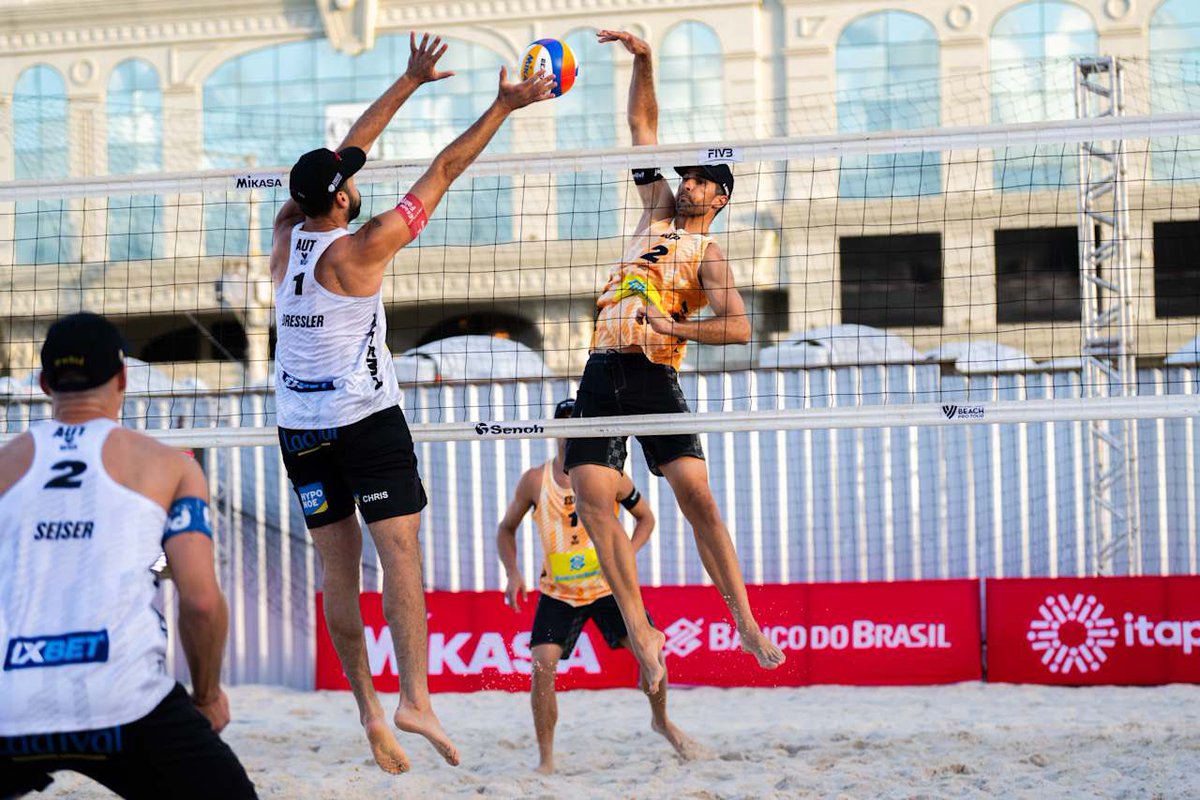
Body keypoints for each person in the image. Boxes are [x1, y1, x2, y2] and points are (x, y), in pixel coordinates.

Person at [269, 33, 555, 774]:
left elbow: (347, 152)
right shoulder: (361, 247)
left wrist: (409, 82)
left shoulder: (285, 233)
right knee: (400, 556)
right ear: (339, 197)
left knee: (339, 570)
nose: (353, 174)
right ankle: (415, 698)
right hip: (362, 417)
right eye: (346, 179)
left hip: (298, 426)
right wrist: (502, 104)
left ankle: (368, 707)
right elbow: (445, 170)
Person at [564, 30, 787, 694]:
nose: (687, 183)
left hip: (654, 371)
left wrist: (670, 320)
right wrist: (643, 59)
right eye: (687, 175)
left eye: (701, 180)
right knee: (593, 501)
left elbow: (741, 326)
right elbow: (641, 126)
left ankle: (744, 622)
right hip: (602, 369)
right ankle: (641, 631)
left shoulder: (708, 255)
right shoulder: (656, 214)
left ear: (719, 198)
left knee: (699, 500)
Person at [0, 313, 255, 799]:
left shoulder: (5, 465)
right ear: (121, 379)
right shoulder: (169, 466)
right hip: (123, 701)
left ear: (43, 383)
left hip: (10, 702)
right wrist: (206, 696)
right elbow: (200, 602)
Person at [497, 398, 698, 774]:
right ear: (556, 430)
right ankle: (546, 760)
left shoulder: (612, 476)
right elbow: (505, 529)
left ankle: (662, 722)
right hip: (559, 592)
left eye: (579, 424)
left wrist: (625, 557)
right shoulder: (534, 480)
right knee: (542, 665)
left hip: (608, 589)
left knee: (652, 656)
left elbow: (646, 519)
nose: (572, 432)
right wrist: (512, 572)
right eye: (566, 425)